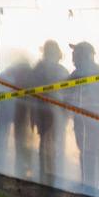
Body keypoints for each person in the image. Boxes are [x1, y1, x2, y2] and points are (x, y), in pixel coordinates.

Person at [68, 41, 99, 191]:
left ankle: (89, 185)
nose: (72, 58)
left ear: (84, 55)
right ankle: (94, 184)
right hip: (95, 118)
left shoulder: (80, 73)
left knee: (88, 151)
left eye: (75, 54)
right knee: (93, 151)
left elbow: (65, 92)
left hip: (86, 119)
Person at [31, 40, 69, 184]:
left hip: (43, 111)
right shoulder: (61, 70)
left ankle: (44, 174)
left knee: (44, 143)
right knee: (55, 144)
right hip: (55, 112)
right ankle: (52, 176)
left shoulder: (38, 68)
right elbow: (68, 93)